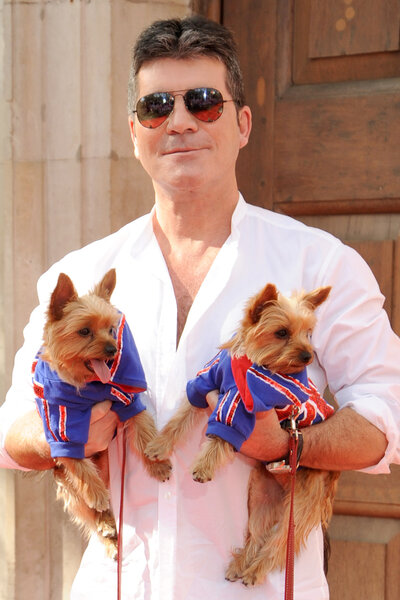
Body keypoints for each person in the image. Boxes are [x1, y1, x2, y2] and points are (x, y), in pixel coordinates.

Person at [1, 15, 399, 600]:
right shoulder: (83, 275)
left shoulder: (321, 264)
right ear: (134, 130)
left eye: (204, 102)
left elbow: (385, 419)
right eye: (157, 105)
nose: (180, 121)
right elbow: (13, 432)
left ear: (242, 123)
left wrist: (288, 442)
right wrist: (70, 433)